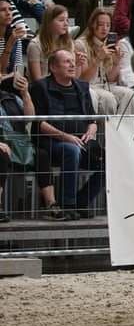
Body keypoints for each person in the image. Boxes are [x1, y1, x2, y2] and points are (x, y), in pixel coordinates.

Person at [30, 50, 105, 221]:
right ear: (53, 67)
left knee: (109, 159)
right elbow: (39, 123)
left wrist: (91, 130)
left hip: (81, 140)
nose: (72, 65)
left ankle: (80, 202)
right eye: (66, 62)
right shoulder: (40, 87)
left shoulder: (82, 87)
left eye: (73, 61)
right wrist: (65, 136)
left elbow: (92, 119)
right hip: (51, 142)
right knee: (71, 150)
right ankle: (67, 205)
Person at [74, 8, 134, 115]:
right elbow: (83, 79)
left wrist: (116, 63)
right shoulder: (81, 44)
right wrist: (98, 59)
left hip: (105, 85)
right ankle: (105, 131)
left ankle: (122, 129)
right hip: (90, 86)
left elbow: (111, 79)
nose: (105, 28)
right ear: (93, 24)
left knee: (129, 95)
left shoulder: (109, 44)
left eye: (108, 25)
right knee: (108, 99)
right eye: (101, 24)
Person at [0, 71, 35, 224]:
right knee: (2, 156)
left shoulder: (11, 97)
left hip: (16, 144)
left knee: (42, 155)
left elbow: (30, 117)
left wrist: (25, 93)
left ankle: (51, 205)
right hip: (3, 146)